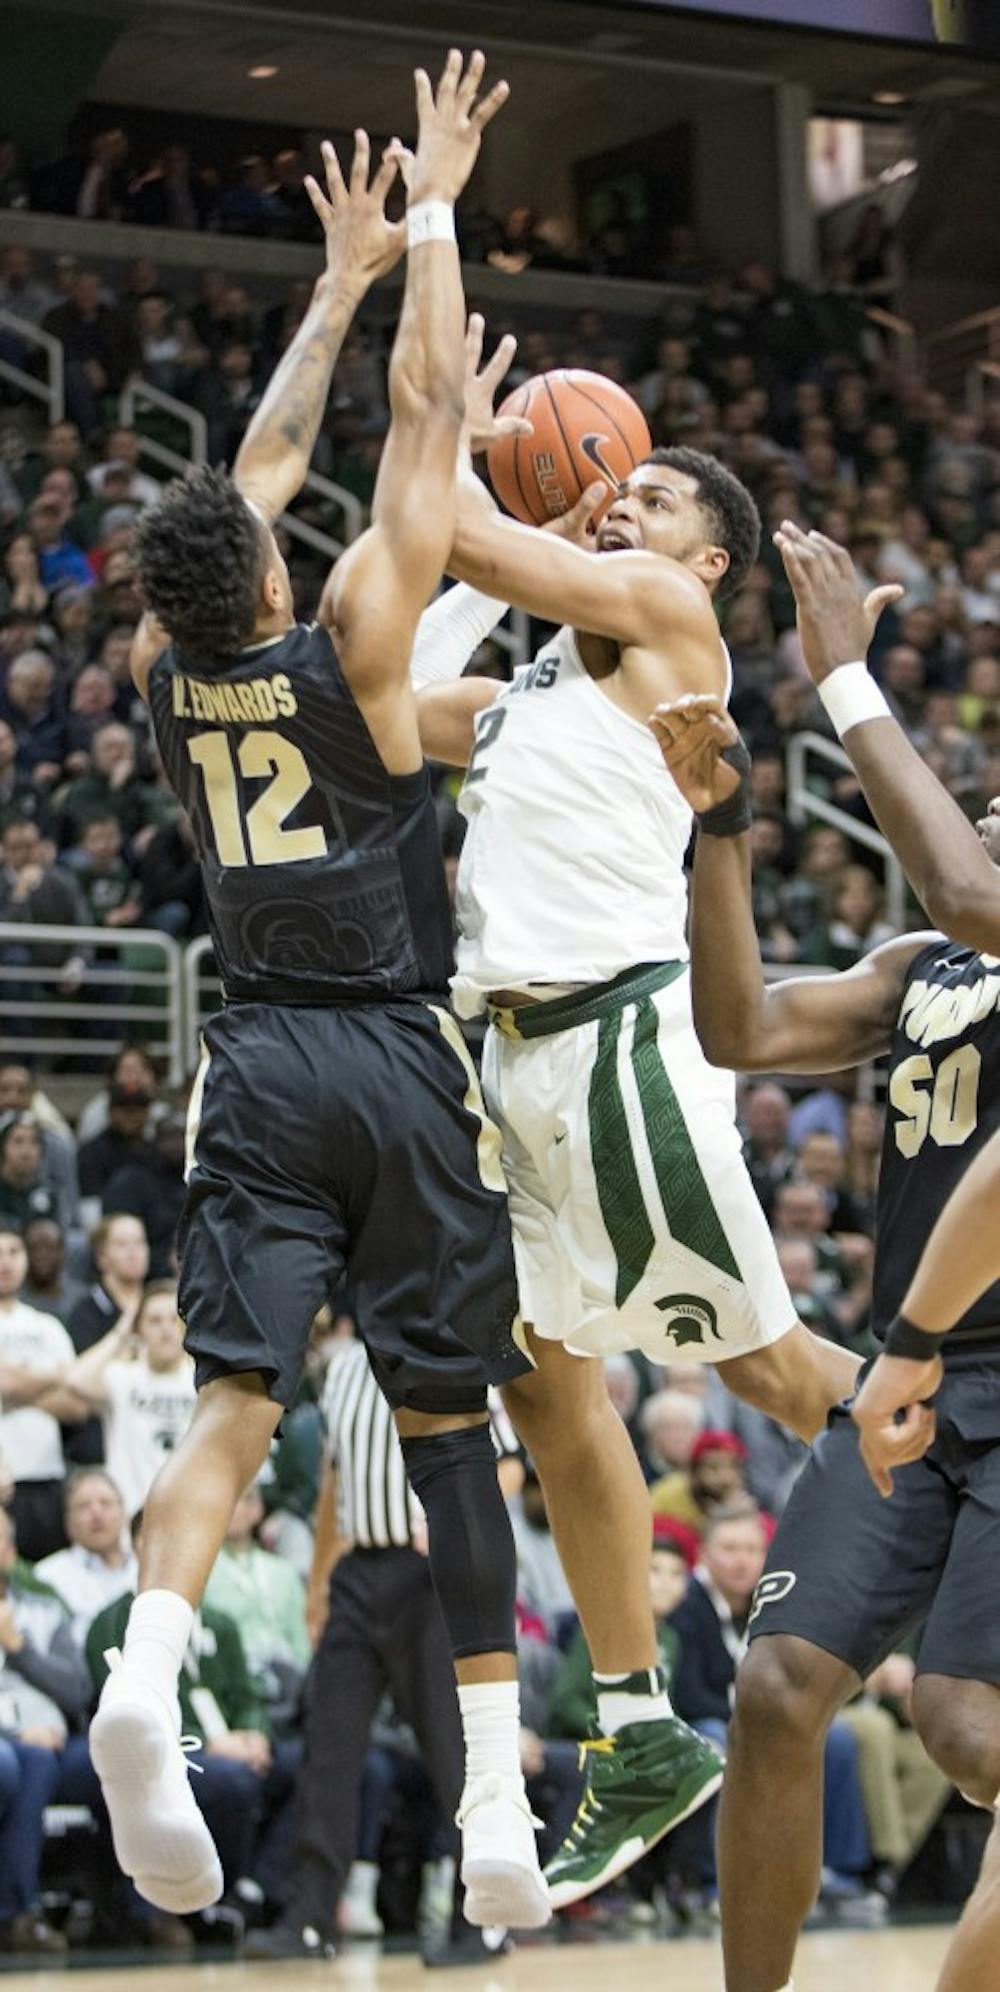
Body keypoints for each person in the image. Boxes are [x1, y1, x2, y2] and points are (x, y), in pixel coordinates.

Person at [86, 57, 554, 1937]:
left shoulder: (166, 665)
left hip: (256, 1056)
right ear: (273, 567)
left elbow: (247, 475)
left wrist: (333, 287)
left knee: (232, 1409)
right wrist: (430, 215)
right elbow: (429, 413)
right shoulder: (358, 639)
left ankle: (147, 1671)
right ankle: (505, 1800)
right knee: (450, 1431)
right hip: (392, 1047)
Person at [405, 318, 861, 1905]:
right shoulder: (538, 685)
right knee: (544, 1387)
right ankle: (635, 1730)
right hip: (509, 1072)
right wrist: (476, 527)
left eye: (655, 493)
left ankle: (984, 1502)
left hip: (617, 1055)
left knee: (781, 1375)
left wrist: (455, 444)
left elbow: (454, 526)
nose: (626, 504)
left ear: (710, 558)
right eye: (616, 487)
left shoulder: (665, 618)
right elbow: (392, 701)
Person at [649, 593, 1000, 1992]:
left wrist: (843, 671)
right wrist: (722, 826)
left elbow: (966, 884)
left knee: (969, 1726)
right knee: (777, 1688)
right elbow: (739, 1026)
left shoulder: (971, 907)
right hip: (909, 1377)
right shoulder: (928, 968)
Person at [247, 1330, 520, 1965]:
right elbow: (333, 1481)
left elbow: (505, 1463)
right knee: (328, 1748)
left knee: (456, 1754)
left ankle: (483, 1917)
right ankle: (311, 1918)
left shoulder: (452, 1344)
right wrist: (318, 1584)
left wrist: (456, 1529)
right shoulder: (339, 1366)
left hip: (430, 1580)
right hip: (357, 1574)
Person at [61, 1281, 196, 1518]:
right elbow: (75, 1380)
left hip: (189, 1513)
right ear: (138, 1328)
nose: (166, 1329)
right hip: (130, 1514)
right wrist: (122, 1330)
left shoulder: (203, 1380)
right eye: (154, 1321)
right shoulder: (123, 1376)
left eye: (174, 1319)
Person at [34, 1467, 138, 1644]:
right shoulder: (47, 1577)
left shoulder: (146, 1566)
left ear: (124, 1514)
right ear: (68, 1523)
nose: (96, 1513)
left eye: (105, 1503)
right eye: (83, 1506)